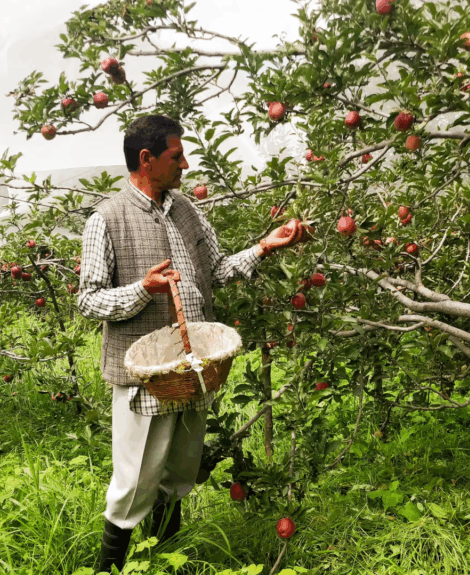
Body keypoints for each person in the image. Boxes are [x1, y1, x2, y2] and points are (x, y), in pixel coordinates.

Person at [77, 114, 307, 573]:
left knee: (177, 470)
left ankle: (164, 559)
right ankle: (108, 568)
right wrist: (143, 289)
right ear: (147, 160)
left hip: (193, 368)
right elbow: (88, 300)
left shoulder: (187, 210)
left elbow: (216, 271)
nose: (184, 164)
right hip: (144, 375)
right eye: (175, 156)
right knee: (134, 479)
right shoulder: (107, 219)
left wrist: (264, 248)